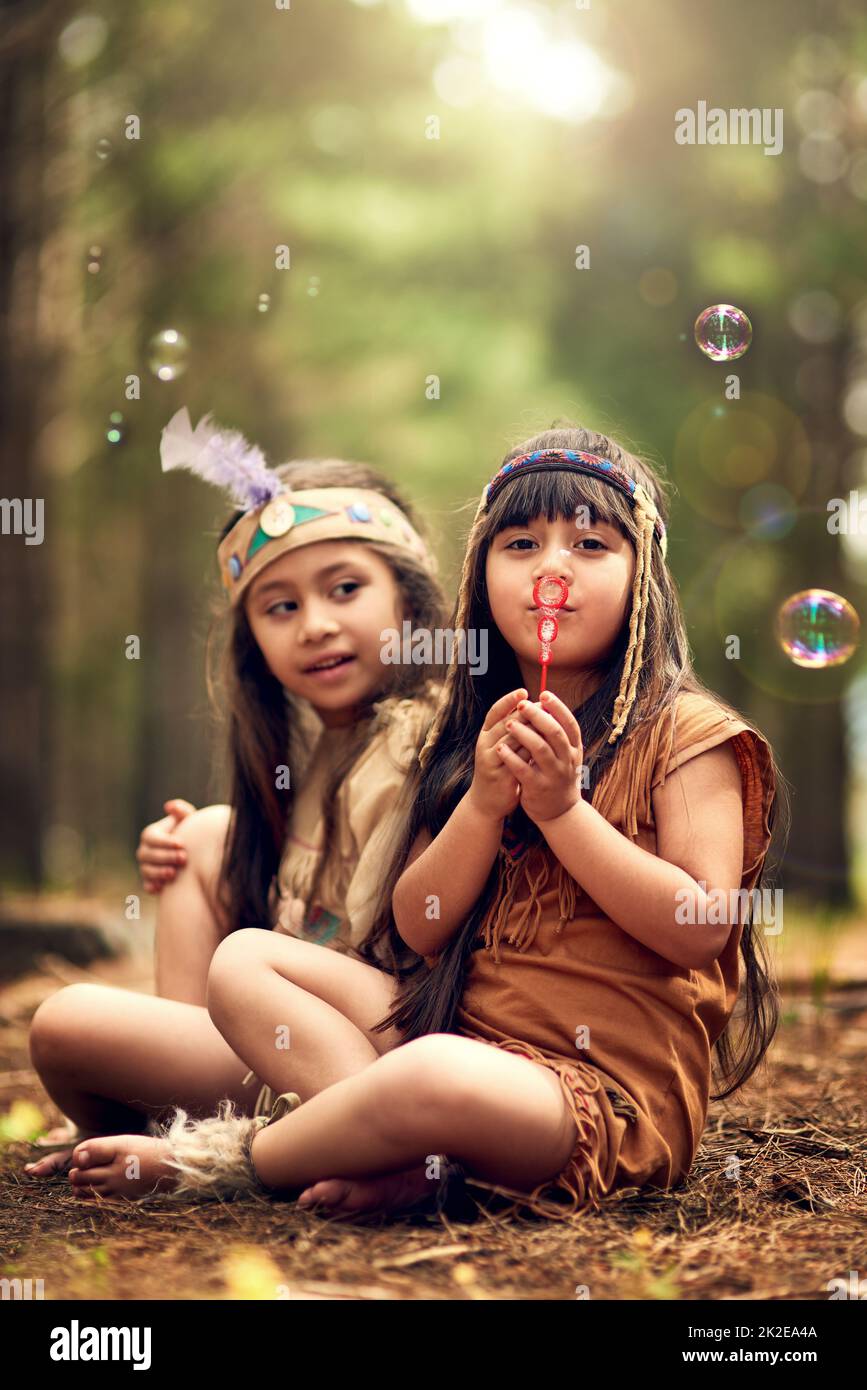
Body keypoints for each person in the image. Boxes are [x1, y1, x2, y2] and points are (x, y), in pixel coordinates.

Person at [48, 424, 785, 1220]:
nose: (551, 568)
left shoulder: (688, 735)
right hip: (459, 1038)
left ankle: (224, 1160)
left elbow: (700, 927)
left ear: (647, 578)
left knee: (431, 1076)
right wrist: (481, 801)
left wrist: (564, 814)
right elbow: (420, 924)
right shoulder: (482, 737)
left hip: (587, 1095)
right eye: (520, 544)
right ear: (479, 577)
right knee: (246, 961)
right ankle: (411, 1163)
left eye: (591, 545)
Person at [24, 409, 446, 1196]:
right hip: (284, 1020)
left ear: (410, 603)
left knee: (64, 1023)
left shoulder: (421, 736)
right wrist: (198, 860)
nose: (315, 626)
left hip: (372, 1046)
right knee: (208, 836)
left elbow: (389, 939)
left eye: (345, 589)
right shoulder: (323, 748)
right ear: (252, 638)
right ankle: (173, 1116)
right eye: (280, 607)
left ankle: (229, 1144)